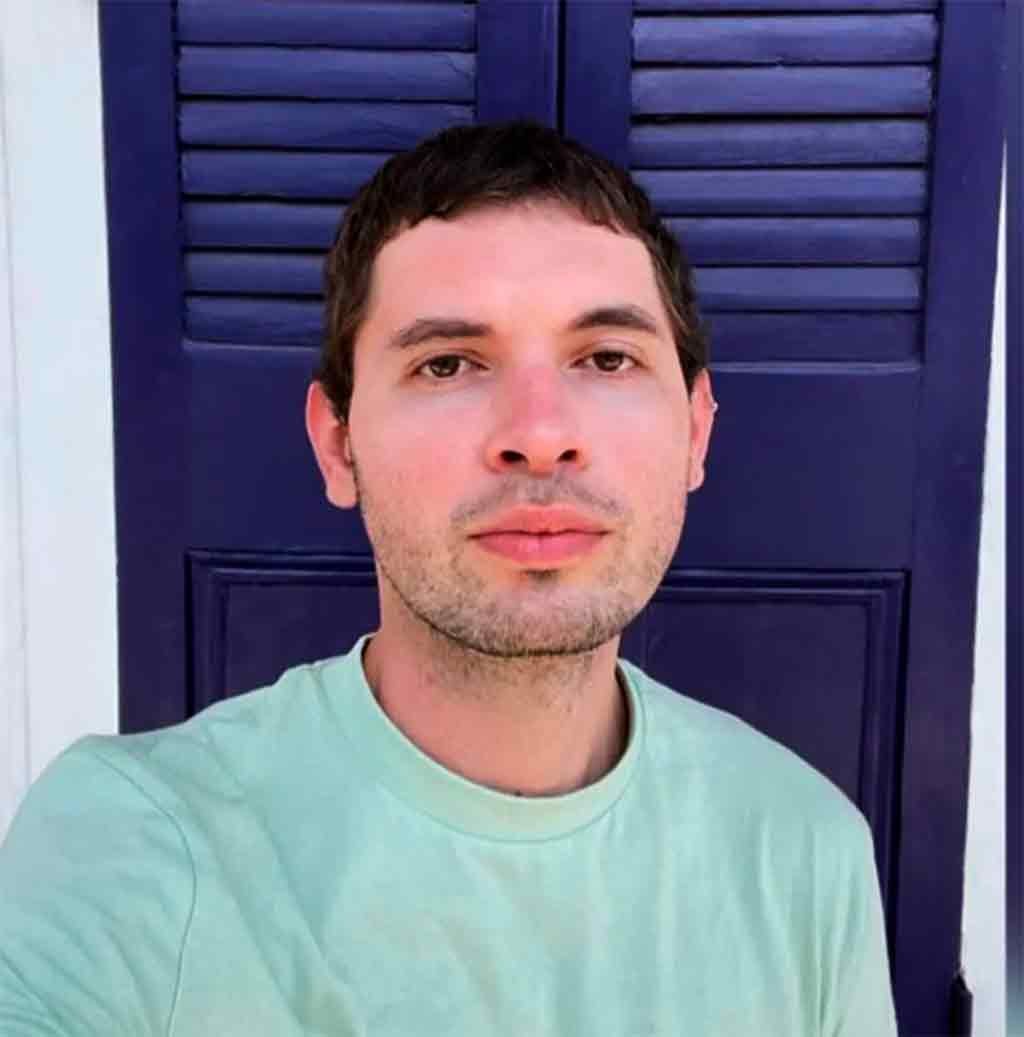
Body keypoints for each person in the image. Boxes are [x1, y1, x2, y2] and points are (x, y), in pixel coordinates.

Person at [0, 121, 897, 1035]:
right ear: (337, 444)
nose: (539, 434)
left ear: (696, 432)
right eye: (448, 363)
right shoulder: (125, 850)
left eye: (607, 358)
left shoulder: (805, 852)